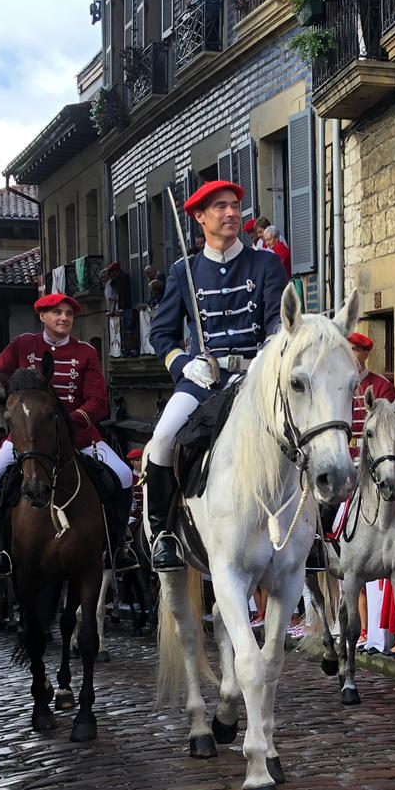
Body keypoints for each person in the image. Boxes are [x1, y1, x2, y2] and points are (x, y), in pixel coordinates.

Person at [144, 180, 287, 569]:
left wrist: (268, 352)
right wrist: (183, 364)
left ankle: (311, 536)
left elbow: (278, 320)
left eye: (235, 206)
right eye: (220, 207)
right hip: (202, 381)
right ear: (199, 217)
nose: (230, 213)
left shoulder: (266, 264)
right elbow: (161, 334)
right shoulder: (184, 272)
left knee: (297, 433)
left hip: (255, 377)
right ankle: (164, 535)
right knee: (162, 439)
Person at [0, 293, 134, 571]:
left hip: (79, 436)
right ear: (42, 317)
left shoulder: (86, 352)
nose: (64, 318)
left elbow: (98, 402)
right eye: (57, 313)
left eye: (69, 314)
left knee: (124, 474)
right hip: (27, 436)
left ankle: (119, 546)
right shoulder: (23, 344)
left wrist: (68, 423)